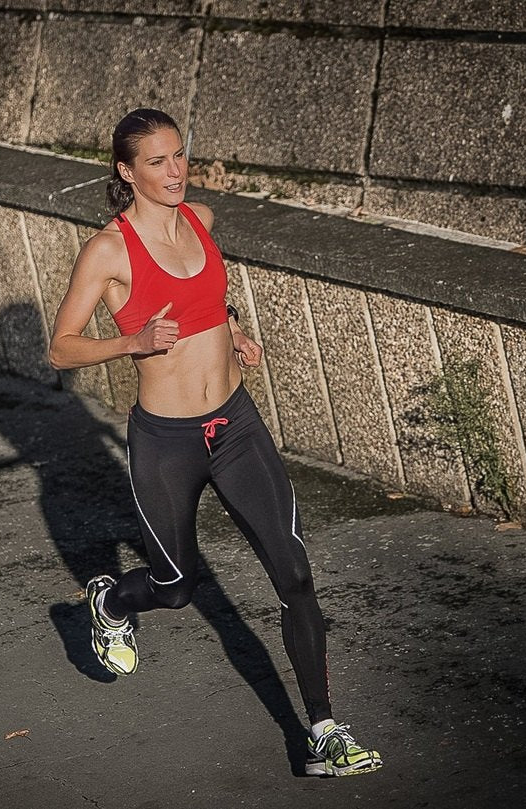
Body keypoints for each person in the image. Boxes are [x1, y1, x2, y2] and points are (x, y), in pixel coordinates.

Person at [47, 108, 382, 777]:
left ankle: (322, 730)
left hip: (234, 424)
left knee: (295, 573)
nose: (175, 171)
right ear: (125, 171)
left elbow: (209, 294)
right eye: (157, 161)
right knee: (176, 586)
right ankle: (109, 602)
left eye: (179, 156)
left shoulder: (199, 219)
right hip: (166, 442)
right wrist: (131, 342)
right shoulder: (109, 251)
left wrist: (230, 327)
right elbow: (60, 346)